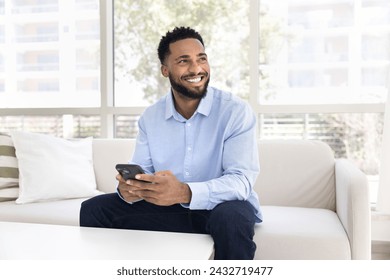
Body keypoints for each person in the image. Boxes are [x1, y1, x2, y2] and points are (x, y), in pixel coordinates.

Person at [80, 26, 262, 260]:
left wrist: (184, 193)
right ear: (165, 70)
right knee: (95, 209)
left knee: (231, 217)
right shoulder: (151, 117)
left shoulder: (235, 111)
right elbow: (142, 169)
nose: (196, 69)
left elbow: (241, 182)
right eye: (184, 61)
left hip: (221, 208)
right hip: (169, 210)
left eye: (201, 59)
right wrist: (131, 189)